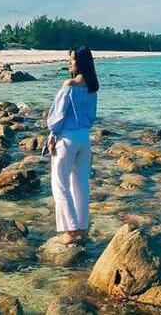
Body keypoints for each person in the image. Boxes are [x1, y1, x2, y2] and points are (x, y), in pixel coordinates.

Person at [45, 46, 99, 244]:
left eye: (73, 59)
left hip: (66, 138)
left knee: (60, 184)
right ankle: (82, 228)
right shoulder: (92, 87)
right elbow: (91, 116)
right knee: (81, 184)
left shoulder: (69, 84)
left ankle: (71, 230)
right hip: (84, 138)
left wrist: (52, 135)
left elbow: (58, 116)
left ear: (81, 62)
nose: (69, 62)